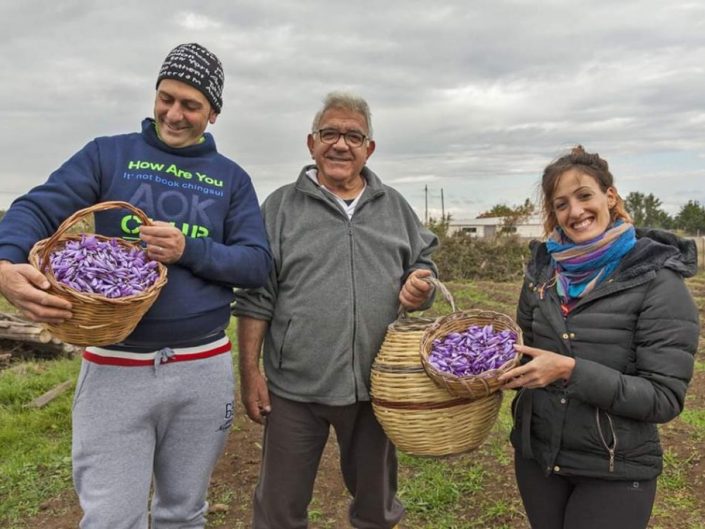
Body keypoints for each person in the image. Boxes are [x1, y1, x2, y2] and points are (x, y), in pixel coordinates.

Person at [0, 43, 271, 529]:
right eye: (166, 97)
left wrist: (189, 249)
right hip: (114, 365)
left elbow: (256, 265)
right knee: (110, 518)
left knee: (183, 512)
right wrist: (6, 261)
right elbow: (36, 208)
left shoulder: (231, 179)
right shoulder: (108, 155)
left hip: (202, 369)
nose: (174, 113)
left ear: (213, 112)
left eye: (191, 105)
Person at [232, 91, 439, 529]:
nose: (340, 145)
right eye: (330, 134)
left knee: (375, 508)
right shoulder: (280, 208)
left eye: (353, 136)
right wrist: (250, 373)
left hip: (376, 387)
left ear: (369, 148)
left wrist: (420, 285)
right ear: (311, 143)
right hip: (294, 390)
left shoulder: (394, 207)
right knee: (278, 511)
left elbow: (424, 264)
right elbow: (256, 295)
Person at [497, 145, 699, 529]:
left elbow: (664, 398)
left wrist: (570, 371)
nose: (575, 212)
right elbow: (529, 354)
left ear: (610, 196)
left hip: (614, 467)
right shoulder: (543, 274)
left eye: (584, 195)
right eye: (561, 204)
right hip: (538, 457)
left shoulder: (658, 281)